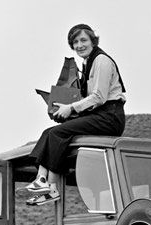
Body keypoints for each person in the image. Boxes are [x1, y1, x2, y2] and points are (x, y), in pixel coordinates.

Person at [26, 23, 126, 205]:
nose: (79, 45)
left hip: (109, 116)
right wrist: (63, 107)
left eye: (83, 40)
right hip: (98, 114)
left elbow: (99, 97)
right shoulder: (88, 62)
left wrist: (71, 108)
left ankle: (48, 185)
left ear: (93, 41)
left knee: (58, 133)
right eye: (75, 42)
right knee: (50, 132)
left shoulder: (101, 61)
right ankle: (44, 182)